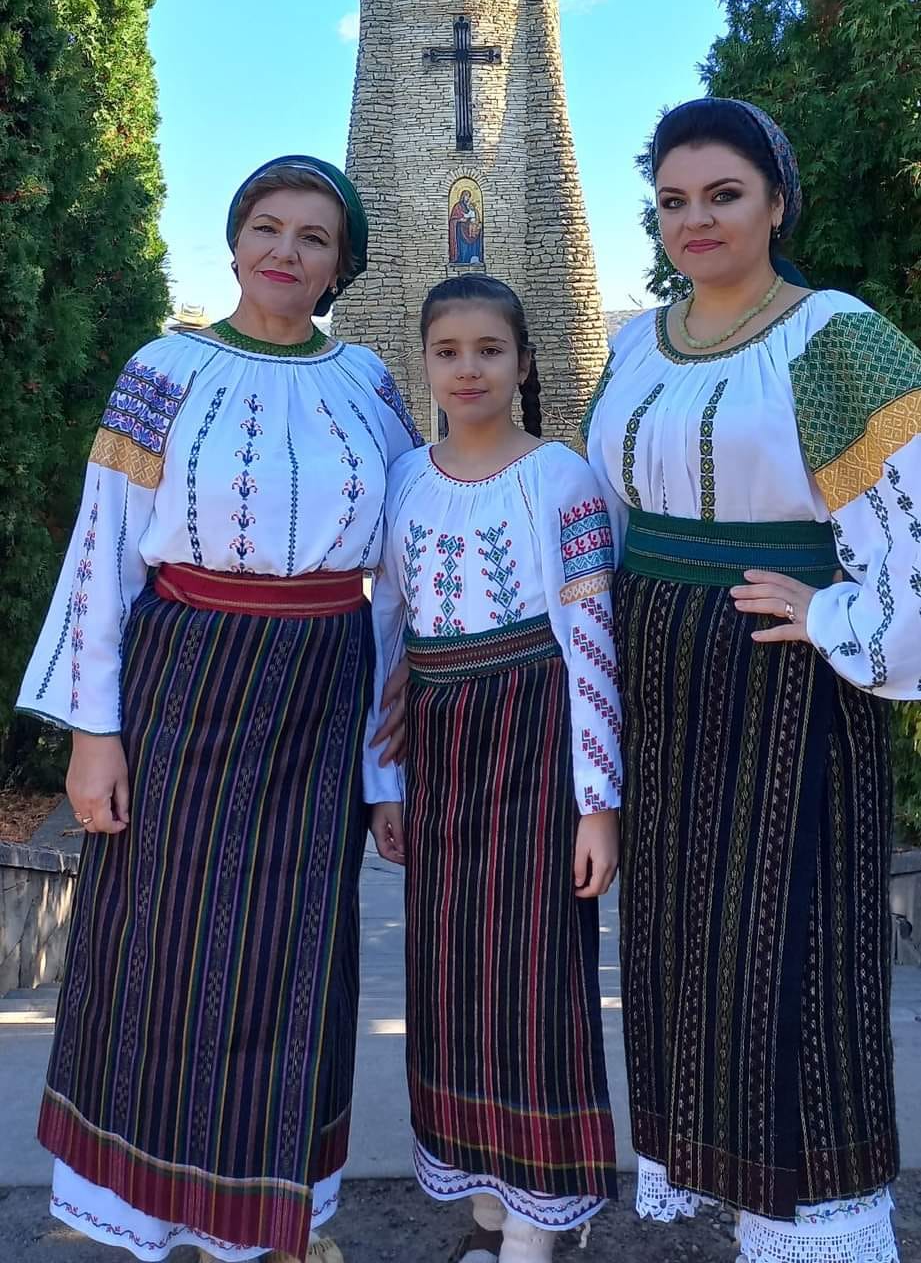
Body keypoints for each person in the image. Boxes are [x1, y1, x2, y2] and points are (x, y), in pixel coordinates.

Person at [18, 155, 422, 1263]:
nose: (285, 250)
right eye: (266, 226)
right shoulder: (163, 369)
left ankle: (269, 1216)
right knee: (158, 944)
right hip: (181, 681)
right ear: (237, 239)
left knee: (297, 951)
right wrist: (93, 733)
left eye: (314, 236)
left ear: (342, 265)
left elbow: (401, 566)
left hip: (322, 688)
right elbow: (104, 547)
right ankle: (149, 1209)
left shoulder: (370, 384)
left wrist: (387, 764)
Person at [584, 97, 921, 1263]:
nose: (696, 219)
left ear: (777, 200)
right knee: (691, 960)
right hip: (661, 690)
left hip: (787, 693)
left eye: (723, 194)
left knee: (795, 964)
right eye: (673, 200)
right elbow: (607, 511)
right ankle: (743, 1213)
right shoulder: (640, 343)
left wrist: (832, 611)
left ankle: (820, 1232)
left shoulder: (836, 338)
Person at [364, 274, 621, 1263]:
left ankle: (538, 1220)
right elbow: (388, 635)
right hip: (437, 748)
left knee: (533, 976)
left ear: (524, 362)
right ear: (425, 362)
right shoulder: (404, 478)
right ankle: (483, 1192)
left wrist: (596, 803)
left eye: (488, 349)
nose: (467, 369)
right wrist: (385, 787)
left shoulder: (562, 478)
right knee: (448, 976)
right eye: (447, 351)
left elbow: (590, 643)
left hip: (534, 740)